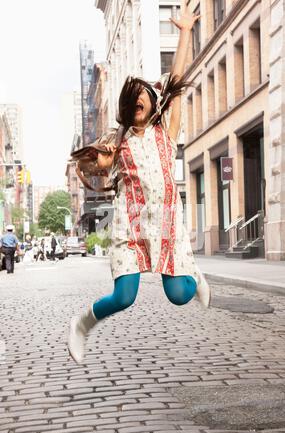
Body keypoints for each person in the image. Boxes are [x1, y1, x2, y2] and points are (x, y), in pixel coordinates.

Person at [68, 4, 210, 365]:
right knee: (124, 296)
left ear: (152, 105)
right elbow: (93, 163)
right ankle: (82, 324)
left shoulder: (167, 131)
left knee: (179, 294)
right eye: (134, 103)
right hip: (130, 227)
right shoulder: (120, 141)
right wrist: (93, 161)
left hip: (164, 223)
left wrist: (183, 34)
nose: (139, 105)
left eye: (145, 100)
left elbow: (176, 81)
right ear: (127, 108)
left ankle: (193, 272)